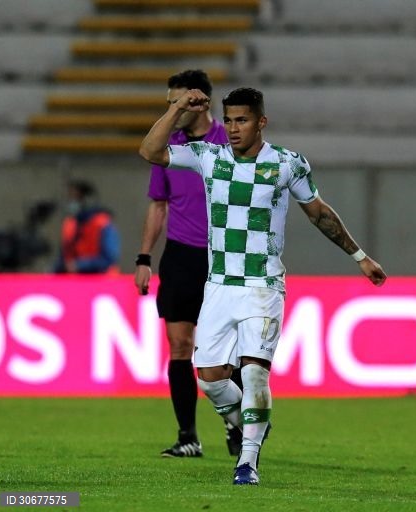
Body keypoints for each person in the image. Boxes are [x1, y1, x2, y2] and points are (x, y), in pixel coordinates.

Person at [139, 86, 387, 485]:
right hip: (219, 286)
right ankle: (252, 422)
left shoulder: (288, 163)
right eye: (229, 121)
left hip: (263, 286)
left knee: (255, 374)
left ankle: (247, 463)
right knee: (210, 379)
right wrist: (177, 108)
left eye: (243, 120)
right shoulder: (209, 157)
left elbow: (319, 213)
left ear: (261, 122)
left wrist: (359, 256)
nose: (234, 128)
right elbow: (150, 151)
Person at [133, 69, 243, 458]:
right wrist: (144, 257)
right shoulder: (168, 148)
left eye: (180, 102)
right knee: (180, 345)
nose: (174, 109)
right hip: (180, 256)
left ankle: (235, 424)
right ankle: (188, 437)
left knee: (230, 351)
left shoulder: (229, 141)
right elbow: (158, 205)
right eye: (170, 103)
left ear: (200, 102)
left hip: (224, 257)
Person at [54, 180, 120, 274]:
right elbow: (64, 257)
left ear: (86, 200)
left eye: (76, 199)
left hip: (102, 279)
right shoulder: (70, 225)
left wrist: (79, 265)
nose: (72, 203)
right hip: (76, 279)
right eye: (70, 199)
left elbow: (109, 259)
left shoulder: (102, 224)